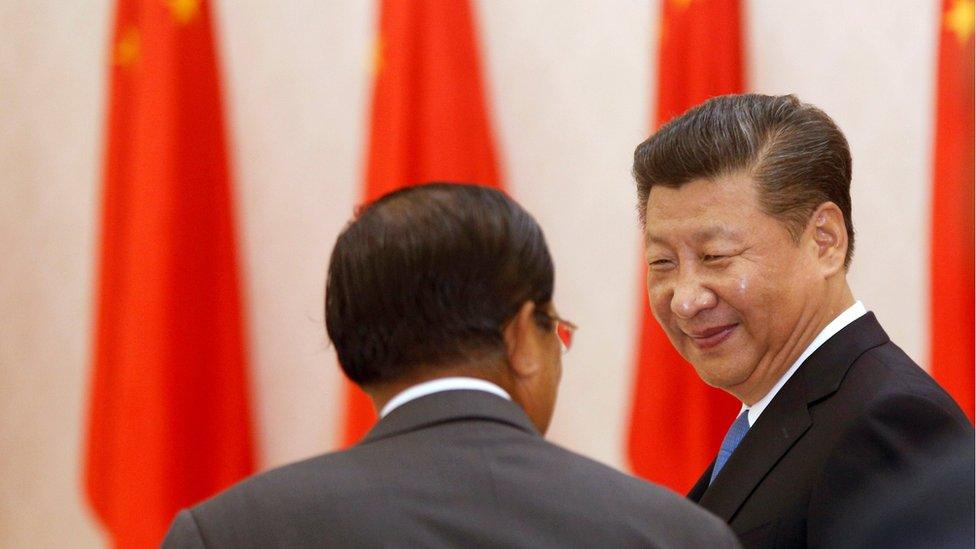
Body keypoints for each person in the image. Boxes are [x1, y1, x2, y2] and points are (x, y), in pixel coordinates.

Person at [163, 183, 739, 548]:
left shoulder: (227, 534)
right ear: (520, 335)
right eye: (555, 330)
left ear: (354, 349)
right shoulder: (672, 535)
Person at [632, 94, 973, 548]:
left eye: (715, 256)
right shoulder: (781, 412)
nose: (684, 300)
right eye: (662, 262)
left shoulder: (890, 423)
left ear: (825, 241)